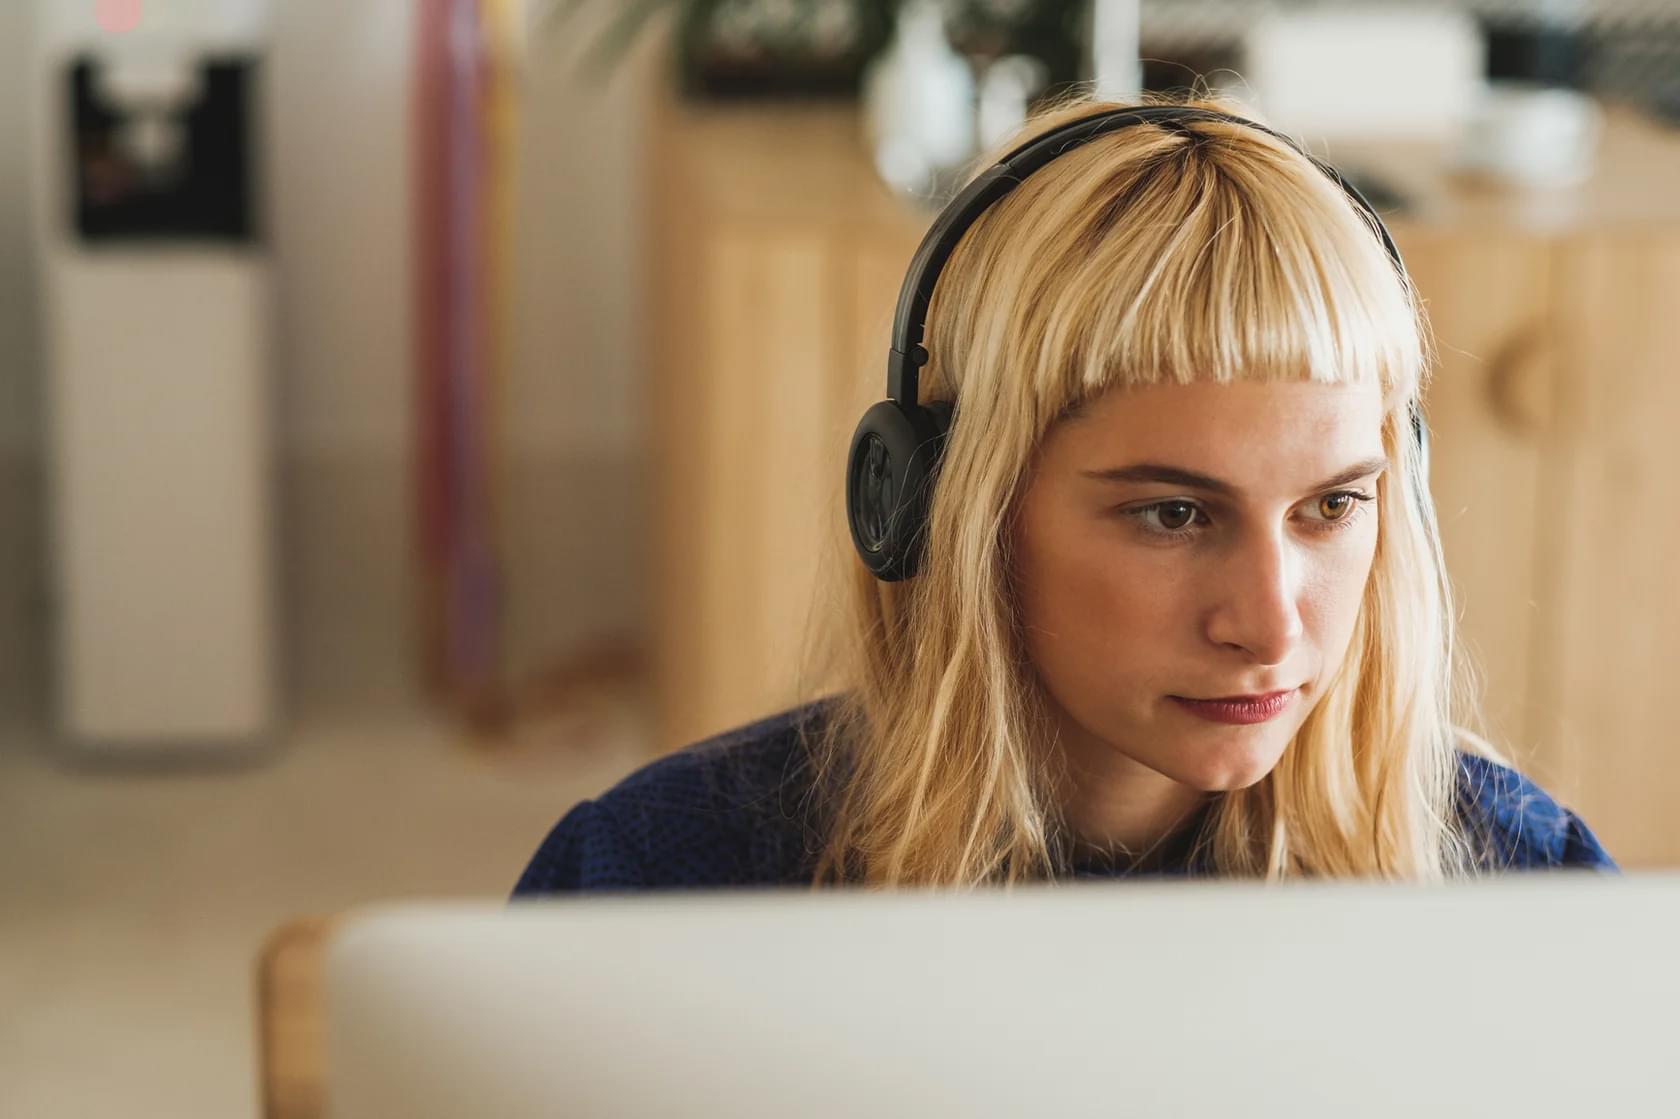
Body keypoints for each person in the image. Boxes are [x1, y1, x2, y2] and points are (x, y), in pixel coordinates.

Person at [513, 94, 1615, 895]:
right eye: (1173, 515)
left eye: (1332, 506)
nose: (1271, 621)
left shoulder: (1524, 886)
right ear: (945, 510)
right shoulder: (652, 885)